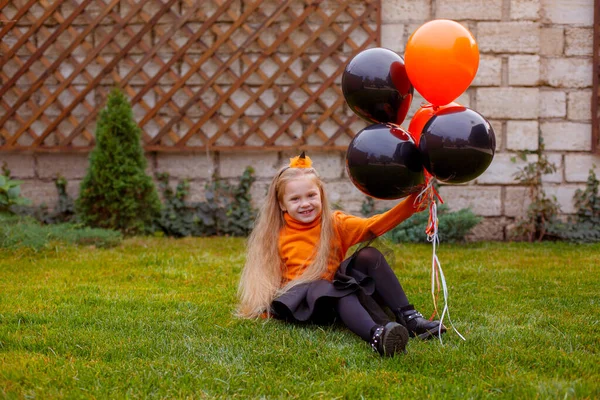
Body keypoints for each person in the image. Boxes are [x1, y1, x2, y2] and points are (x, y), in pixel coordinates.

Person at [237, 152, 445, 357]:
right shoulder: (276, 235)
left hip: (336, 295)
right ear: (282, 204)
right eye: (295, 199)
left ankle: (409, 318)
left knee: (368, 256)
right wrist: (266, 308)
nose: (305, 203)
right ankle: (377, 336)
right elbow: (266, 277)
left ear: (321, 194)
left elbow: (373, 226)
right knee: (331, 288)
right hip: (305, 304)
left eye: (311, 195)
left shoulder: (334, 222)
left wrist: (411, 204)